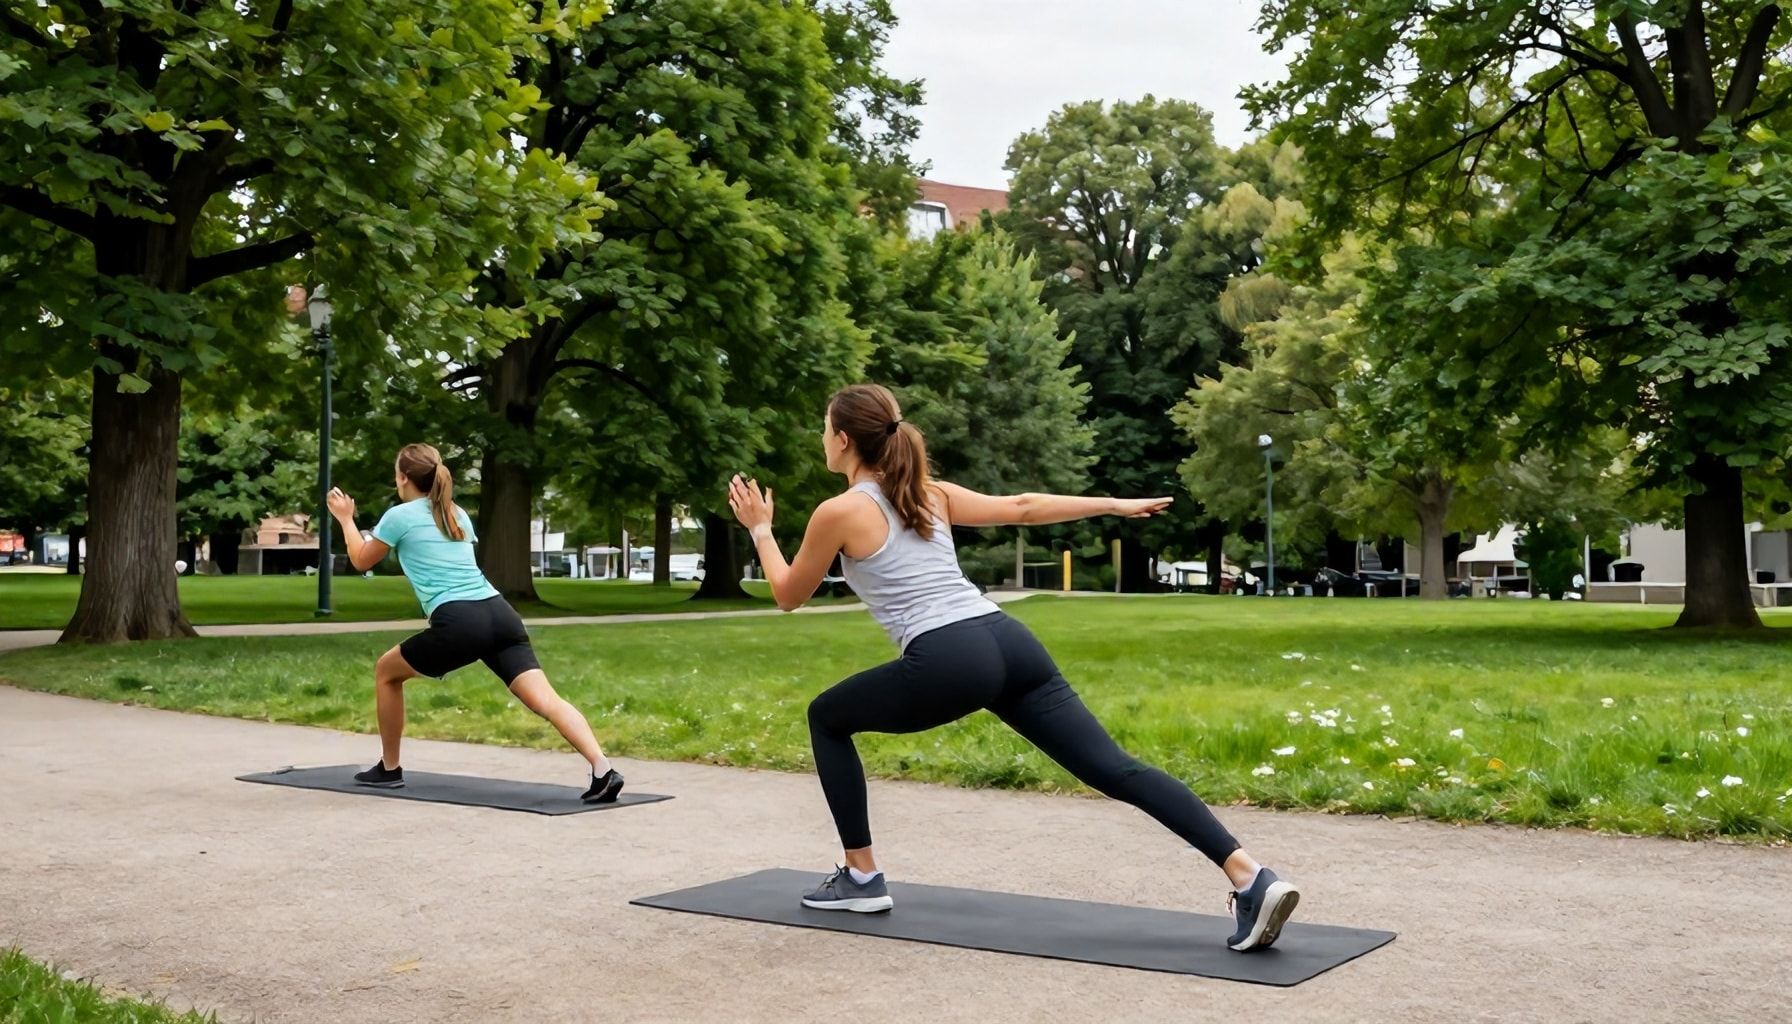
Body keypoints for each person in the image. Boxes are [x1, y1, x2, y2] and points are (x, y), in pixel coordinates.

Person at [726, 384, 1300, 952]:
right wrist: (1113, 504)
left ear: (844, 439)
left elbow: (786, 594)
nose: (822, 439)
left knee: (827, 717)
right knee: (1114, 769)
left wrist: (760, 529)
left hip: (950, 656)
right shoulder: (930, 494)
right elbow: (1023, 507)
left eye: (825, 429)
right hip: (1009, 642)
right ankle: (1250, 876)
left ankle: (861, 876)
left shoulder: (841, 510)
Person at [325, 443, 624, 803]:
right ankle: (602, 768)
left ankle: (389, 770)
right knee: (547, 699)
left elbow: (360, 560)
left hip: (461, 621)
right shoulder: (456, 513)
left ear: (402, 477)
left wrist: (345, 518)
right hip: (501, 614)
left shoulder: (399, 516)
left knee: (387, 672)